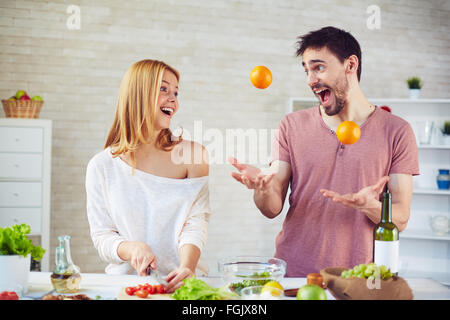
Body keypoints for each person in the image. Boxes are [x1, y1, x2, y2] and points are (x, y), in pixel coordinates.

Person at [229, 26, 419, 277]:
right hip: (294, 276)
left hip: (358, 280)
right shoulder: (291, 125)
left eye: (318, 67)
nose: (310, 80)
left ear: (350, 65)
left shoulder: (397, 132)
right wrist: (262, 190)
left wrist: (369, 206)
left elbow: (401, 218)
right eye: (306, 70)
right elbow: (272, 207)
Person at [85, 59, 210, 292]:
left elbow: (196, 222)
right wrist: (131, 248)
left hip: (185, 286)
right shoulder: (101, 166)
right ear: (138, 94)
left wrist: (187, 267)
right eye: (163, 89)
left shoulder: (193, 156)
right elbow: (102, 236)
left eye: (175, 92)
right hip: (128, 288)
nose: (173, 100)